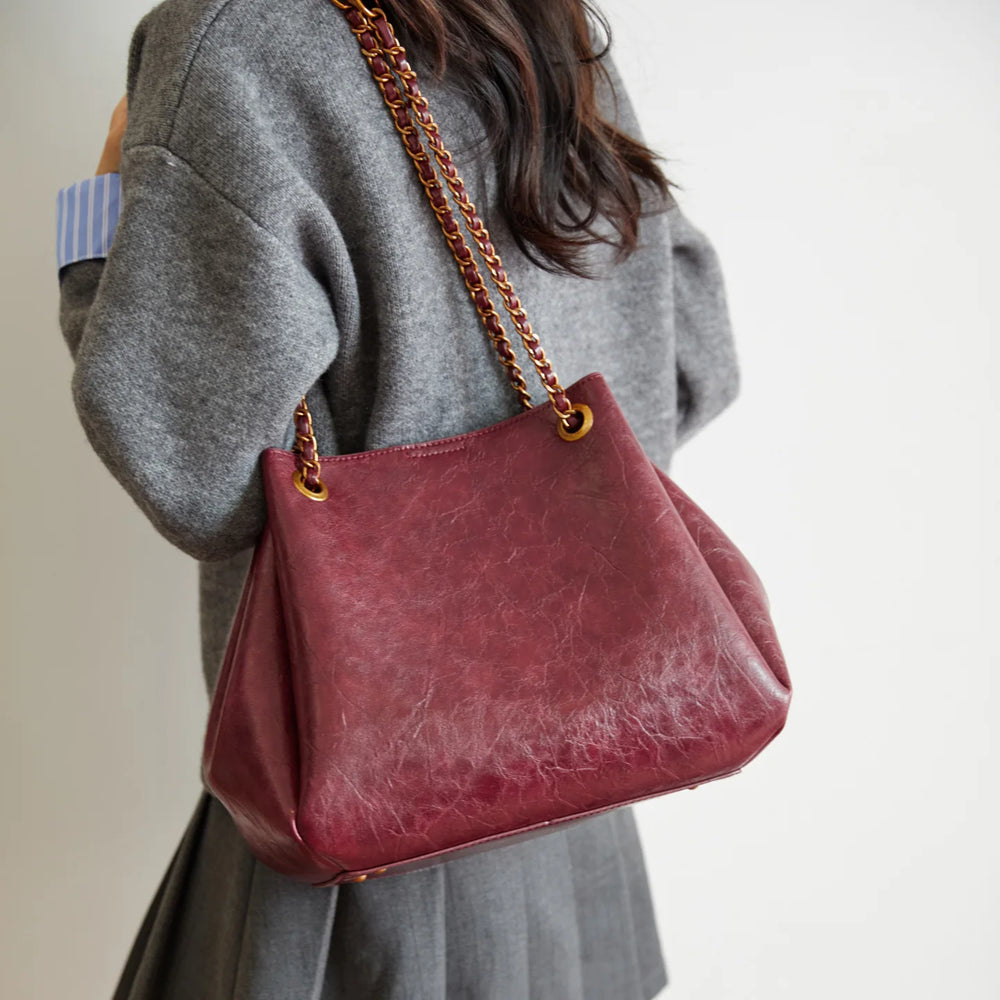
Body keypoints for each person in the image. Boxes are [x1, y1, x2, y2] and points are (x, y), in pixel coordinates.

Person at [56, 0, 740, 996]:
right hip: (588, 814)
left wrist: (96, 221)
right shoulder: (540, 26)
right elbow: (694, 362)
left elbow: (197, 472)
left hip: (366, 833)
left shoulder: (232, 38)